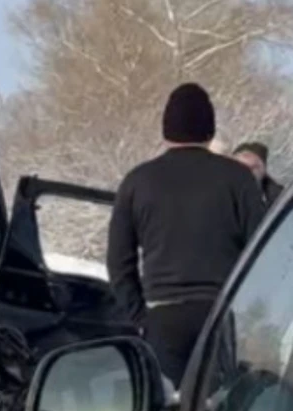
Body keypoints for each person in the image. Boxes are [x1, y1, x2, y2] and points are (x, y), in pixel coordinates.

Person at [106, 83, 266, 386]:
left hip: (162, 315)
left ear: (166, 131)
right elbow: (261, 251)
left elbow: (118, 262)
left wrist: (141, 318)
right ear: (210, 131)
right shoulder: (238, 178)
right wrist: (250, 314)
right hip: (221, 311)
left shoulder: (137, 182)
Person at [233, 141, 284, 208]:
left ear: (263, 170)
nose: (246, 173)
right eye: (240, 167)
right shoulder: (219, 194)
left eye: (253, 167)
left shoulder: (281, 198)